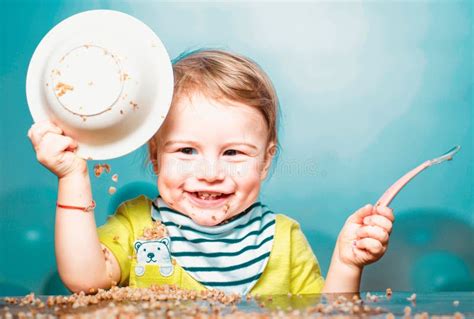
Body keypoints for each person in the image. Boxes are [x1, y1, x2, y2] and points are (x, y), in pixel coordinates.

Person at [28, 49, 394, 295]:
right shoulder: (138, 227)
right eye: (187, 150)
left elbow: (326, 315)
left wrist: (347, 265)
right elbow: (85, 279)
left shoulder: (285, 241)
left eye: (233, 152)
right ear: (155, 157)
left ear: (265, 162)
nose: (210, 172)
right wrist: (72, 176)